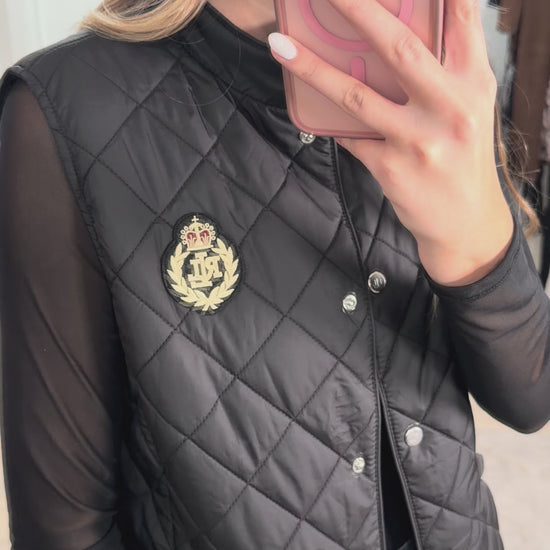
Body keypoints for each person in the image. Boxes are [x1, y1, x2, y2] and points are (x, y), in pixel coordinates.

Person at [0, 1, 548, 549]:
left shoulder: (431, 59)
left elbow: (530, 398)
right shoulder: (67, 111)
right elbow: (63, 530)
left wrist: (471, 239)